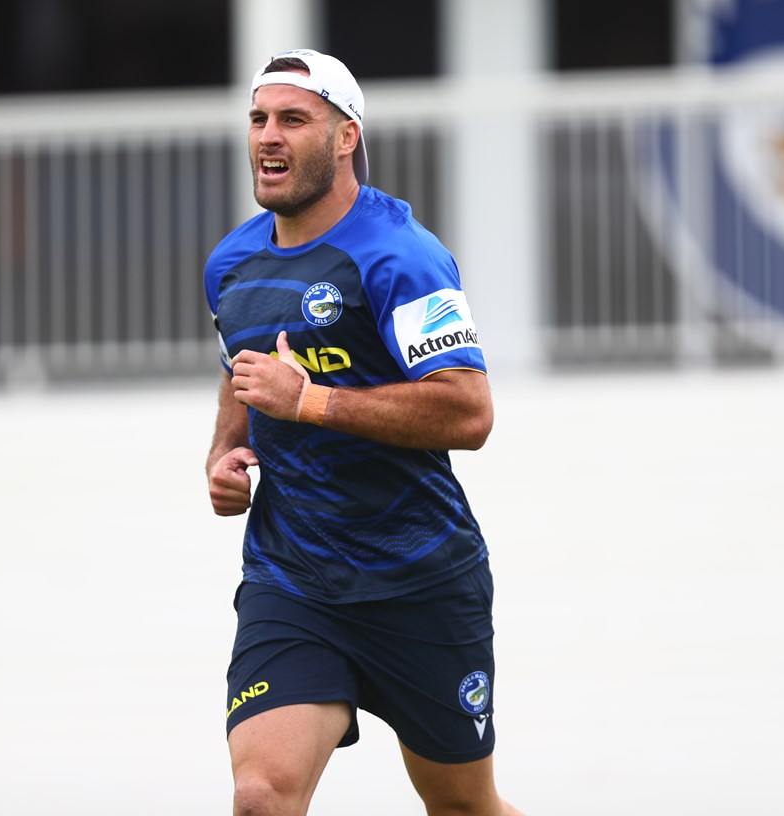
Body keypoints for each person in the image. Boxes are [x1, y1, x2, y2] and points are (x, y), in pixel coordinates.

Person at [203, 48, 523, 816]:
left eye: (293, 119)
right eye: (258, 118)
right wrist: (224, 451)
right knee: (260, 797)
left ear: (345, 136)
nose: (268, 136)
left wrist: (312, 403)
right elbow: (242, 366)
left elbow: (468, 411)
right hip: (292, 580)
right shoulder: (231, 264)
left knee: (463, 806)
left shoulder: (403, 257)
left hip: (421, 582)